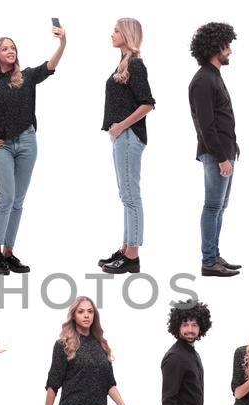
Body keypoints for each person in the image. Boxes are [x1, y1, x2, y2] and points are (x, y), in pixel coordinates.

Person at [0, 25, 66, 275]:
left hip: (27, 142)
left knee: (18, 201)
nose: (11, 51)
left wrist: (62, 44)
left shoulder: (26, 76)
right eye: (5, 48)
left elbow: (49, 66)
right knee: (6, 198)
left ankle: (9, 252)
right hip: (1, 145)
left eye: (13, 48)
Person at [96, 18, 153, 275]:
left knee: (131, 196)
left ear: (127, 34)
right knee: (125, 195)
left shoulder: (136, 64)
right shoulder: (123, 63)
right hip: (122, 138)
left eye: (116, 30)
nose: (112, 34)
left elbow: (147, 103)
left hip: (129, 136)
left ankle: (132, 256)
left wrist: (121, 126)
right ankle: (125, 247)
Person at [188, 23, 242, 277]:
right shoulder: (202, 80)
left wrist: (233, 150)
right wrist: (221, 157)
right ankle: (208, 261)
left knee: (220, 207)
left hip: (226, 152)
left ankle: (215, 256)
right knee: (212, 206)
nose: (230, 50)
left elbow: (222, 118)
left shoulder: (214, 76)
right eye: (226, 46)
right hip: (216, 154)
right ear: (214, 47)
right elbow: (205, 125)